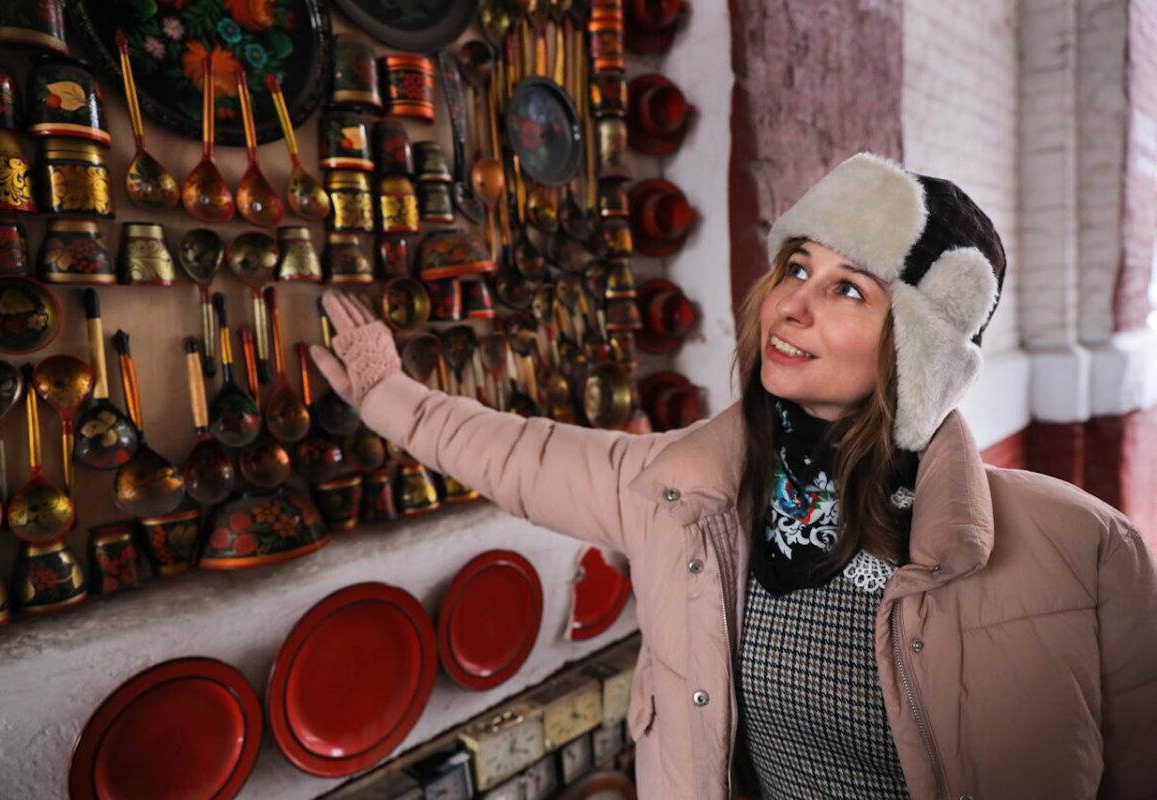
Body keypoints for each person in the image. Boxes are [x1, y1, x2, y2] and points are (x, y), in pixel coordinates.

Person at [312, 152, 1157, 799]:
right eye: (796, 269)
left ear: (919, 347)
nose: (792, 305)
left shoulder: (1080, 548)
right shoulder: (685, 491)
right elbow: (520, 456)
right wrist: (389, 396)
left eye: (849, 290)